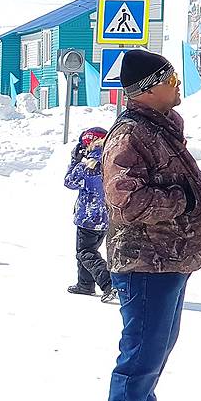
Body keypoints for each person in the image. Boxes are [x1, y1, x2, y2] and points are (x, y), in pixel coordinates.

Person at [101, 49, 201, 401]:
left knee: (153, 358)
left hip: (170, 260)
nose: (177, 86)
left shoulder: (160, 126)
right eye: (171, 79)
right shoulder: (130, 134)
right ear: (149, 90)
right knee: (138, 362)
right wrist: (182, 200)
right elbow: (125, 201)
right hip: (145, 264)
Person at [64, 127, 116, 302]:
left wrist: (74, 160)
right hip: (106, 217)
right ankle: (85, 284)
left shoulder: (86, 166)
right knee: (89, 250)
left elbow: (69, 182)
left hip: (88, 218)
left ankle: (108, 283)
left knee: (85, 252)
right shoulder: (112, 161)